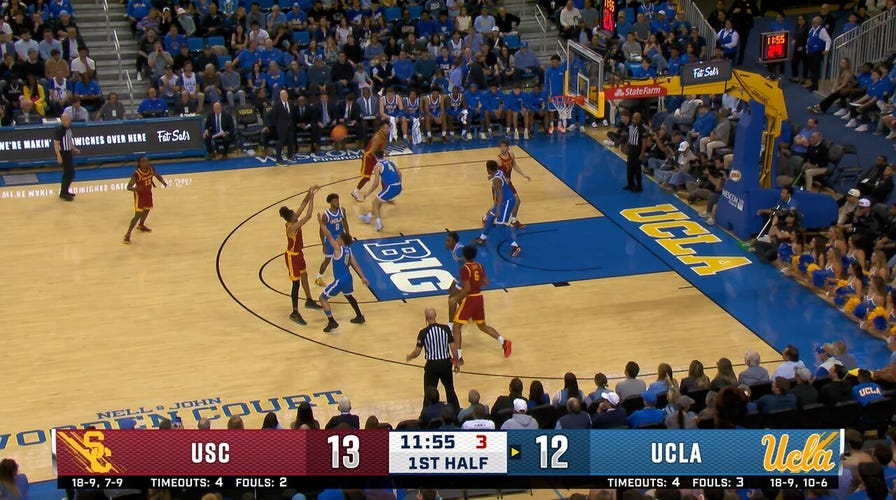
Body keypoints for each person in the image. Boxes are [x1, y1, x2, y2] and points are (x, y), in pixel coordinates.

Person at [448, 244, 512, 367]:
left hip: (470, 299)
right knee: (482, 326)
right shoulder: (479, 266)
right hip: (479, 298)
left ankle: (458, 358)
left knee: (456, 327)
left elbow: (466, 288)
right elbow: (486, 282)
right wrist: (475, 283)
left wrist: (455, 298)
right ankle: (503, 342)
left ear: (464, 256)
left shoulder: (464, 268)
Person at [279, 187, 324, 324]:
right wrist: (313, 199)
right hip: (292, 257)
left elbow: (303, 203)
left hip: (299, 254)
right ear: (291, 217)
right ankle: (294, 312)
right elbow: (308, 215)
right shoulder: (292, 227)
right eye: (294, 214)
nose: (296, 214)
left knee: (304, 275)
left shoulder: (293, 220)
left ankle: (309, 300)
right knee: (296, 284)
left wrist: (310, 192)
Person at [317, 213, 369, 332]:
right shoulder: (349, 251)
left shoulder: (338, 249)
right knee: (349, 296)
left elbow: (328, 235)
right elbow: (356, 266)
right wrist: (363, 277)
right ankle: (359, 316)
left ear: (342, 241)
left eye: (339, 238)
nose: (337, 239)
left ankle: (332, 321)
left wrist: (321, 223)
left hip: (340, 279)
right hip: (348, 277)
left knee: (322, 298)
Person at [406, 306, 460, 413]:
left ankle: (426, 413)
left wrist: (410, 356)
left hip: (432, 366)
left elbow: (417, 352)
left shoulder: (423, 332)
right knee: (450, 389)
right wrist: (456, 362)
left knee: (429, 391)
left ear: (425, 318)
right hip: (446, 363)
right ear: (436, 316)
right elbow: (453, 347)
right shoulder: (445, 329)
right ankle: (456, 411)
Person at [472, 160, 523, 257]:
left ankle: (515, 246)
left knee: (500, 225)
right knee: (490, 217)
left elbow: (500, 194)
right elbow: (498, 168)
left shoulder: (496, 180)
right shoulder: (499, 171)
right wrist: (491, 176)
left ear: (488, 169)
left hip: (506, 201)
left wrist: (498, 209)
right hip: (502, 200)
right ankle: (482, 238)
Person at [124, 156, 168, 244]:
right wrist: (136, 189)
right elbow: (128, 187)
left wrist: (162, 181)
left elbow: (157, 176)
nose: (146, 163)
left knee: (147, 209)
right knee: (138, 215)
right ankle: (128, 234)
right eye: (143, 162)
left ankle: (141, 225)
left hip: (148, 193)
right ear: (139, 164)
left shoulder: (151, 169)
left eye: (147, 161)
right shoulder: (136, 174)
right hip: (139, 196)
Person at [359, 152, 402, 232]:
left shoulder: (377, 166)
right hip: (398, 186)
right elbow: (400, 173)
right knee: (379, 201)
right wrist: (398, 184)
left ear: (375, 156)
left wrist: (367, 193)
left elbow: (376, 184)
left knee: (375, 203)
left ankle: (378, 223)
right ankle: (368, 217)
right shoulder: (390, 162)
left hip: (391, 187)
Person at [316, 193, 350, 287]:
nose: (337, 202)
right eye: (335, 201)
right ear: (330, 202)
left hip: (341, 239)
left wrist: (348, 235)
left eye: (338, 200)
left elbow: (345, 223)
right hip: (330, 239)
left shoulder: (342, 210)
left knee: (344, 258)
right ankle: (318, 277)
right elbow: (321, 230)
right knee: (327, 259)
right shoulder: (326, 215)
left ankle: (342, 277)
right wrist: (323, 244)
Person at [351, 121, 389, 202]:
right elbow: (372, 151)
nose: (387, 130)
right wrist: (378, 160)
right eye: (385, 128)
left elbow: (380, 148)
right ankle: (355, 191)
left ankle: (385, 193)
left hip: (375, 157)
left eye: (388, 128)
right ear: (381, 128)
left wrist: (384, 151)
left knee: (383, 173)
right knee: (367, 177)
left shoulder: (384, 136)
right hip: (368, 158)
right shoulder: (377, 137)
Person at [497, 139, 530, 229]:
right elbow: (496, 175)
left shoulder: (511, 155)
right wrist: (503, 179)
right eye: (501, 147)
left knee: (517, 201)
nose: (502, 149)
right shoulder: (498, 159)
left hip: (508, 183)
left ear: (508, 147)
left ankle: (513, 221)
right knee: (498, 204)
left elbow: (514, 165)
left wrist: (523, 174)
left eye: (504, 147)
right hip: (501, 184)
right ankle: (485, 217)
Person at [264, 89, 297, 165]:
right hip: (281, 127)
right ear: (280, 96)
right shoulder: (277, 105)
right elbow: (269, 115)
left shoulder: (291, 104)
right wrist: (268, 125)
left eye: (285, 95)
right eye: (283, 95)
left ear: (287, 96)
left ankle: (290, 156)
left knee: (290, 142)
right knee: (280, 143)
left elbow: (293, 115)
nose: (284, 96)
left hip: (290, 126)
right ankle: (278, 159)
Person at [54, 112, 80, 201]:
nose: (70, 121)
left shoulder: (69, 129)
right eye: (68, 120)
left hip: (68, 152)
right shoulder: (60, 130)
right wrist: (58, 155)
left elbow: (69, 141)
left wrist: (74, 148)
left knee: (70, 173)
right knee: (68, 173)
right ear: (63, 120)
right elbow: (56, 144)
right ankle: (64, 193)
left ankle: (65, 191)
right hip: (63, 153)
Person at [623, 112, 647, 193]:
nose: (634, 120)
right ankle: (630, 184)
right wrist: (626, 147)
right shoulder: (630, 126)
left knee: (637, 169)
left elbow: (644, 142)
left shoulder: (642, 129)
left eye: (636, 119)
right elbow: (629, 137)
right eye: (633, 118)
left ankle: (639, 186)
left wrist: (642, 153)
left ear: (639, 119)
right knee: (629, 167)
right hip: (631, 148)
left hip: (637, 149)